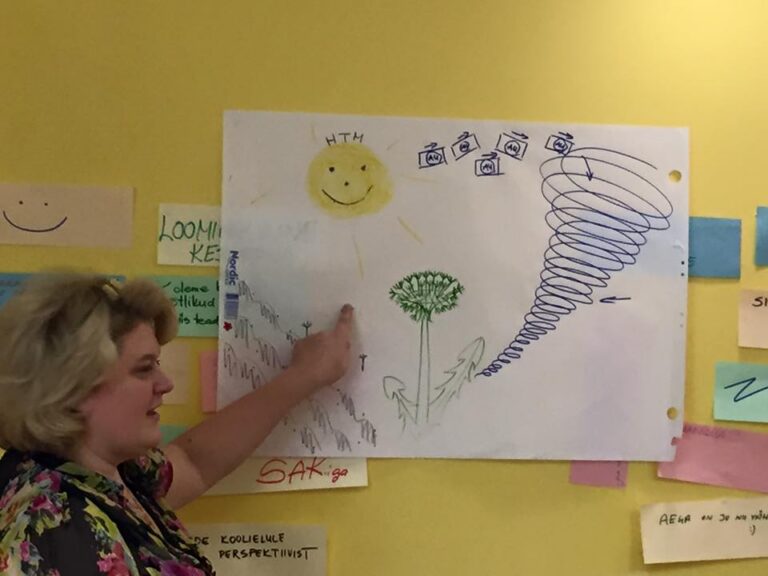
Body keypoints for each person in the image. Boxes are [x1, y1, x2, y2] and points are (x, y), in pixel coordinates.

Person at [0, 272, 354, 576]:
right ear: (72, 387)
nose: (166, 383)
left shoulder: (105, 469)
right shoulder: (55, 528)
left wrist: (305, 376)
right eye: (143, 369)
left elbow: (192, 462)